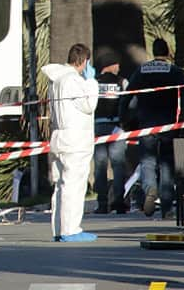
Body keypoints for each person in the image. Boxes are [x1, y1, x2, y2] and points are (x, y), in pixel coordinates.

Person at [120, 38, 184, 218]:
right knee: (167, 164)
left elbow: (127, 95)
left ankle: (150, 188)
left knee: (147, 162)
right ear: (167, 52)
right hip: (168, 124)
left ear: (153, 51)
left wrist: (124, 118)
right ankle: (167, 208)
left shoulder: (141, 71)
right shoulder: (174, 71)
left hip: (146, 125)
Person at [41, 43, 99, 242]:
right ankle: (71, 230)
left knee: (61, 186)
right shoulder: (73, 80)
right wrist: (91, 82)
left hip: (59, 137)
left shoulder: (56, 80)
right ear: (84, 61)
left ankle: (59, 229)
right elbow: (89, 104)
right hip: (75, 140)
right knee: (74, 185)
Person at [93, 53, 128, 214]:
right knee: (118, 165)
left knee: (100, 166)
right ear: (111, 65)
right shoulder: (122, 82)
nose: (119, 67)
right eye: (117, 64)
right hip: (116, 128)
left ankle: (102, 203)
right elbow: (129, 102)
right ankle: (119, 202)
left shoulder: (93, 83)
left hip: (97, 127)